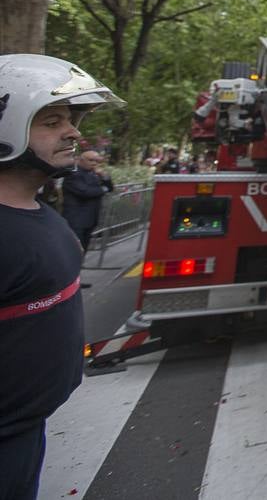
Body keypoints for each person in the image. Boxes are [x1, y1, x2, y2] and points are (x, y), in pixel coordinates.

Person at [0, 54, 123, 500]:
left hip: (24, 431)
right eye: (52, 121)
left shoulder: (34, 210)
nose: (74, 133)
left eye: (70, 121)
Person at [60, 149, 114, 254]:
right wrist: (103, 189)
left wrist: (105, 176)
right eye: (91, 160)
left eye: (97, 161)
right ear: (81, 160)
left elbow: (110, 188)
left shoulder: (94, 174)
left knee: (83, 250)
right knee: (72, 250)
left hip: (90, 219)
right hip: (76, 220)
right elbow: (86, 192)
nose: (94, 163)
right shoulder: (73, 174)